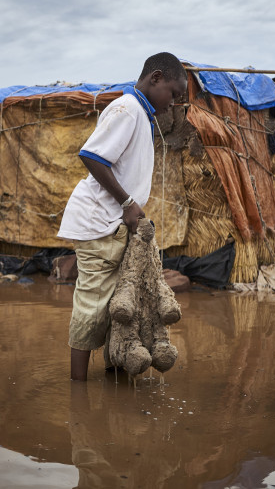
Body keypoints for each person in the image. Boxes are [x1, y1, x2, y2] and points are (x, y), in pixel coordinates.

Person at [57, 52, 188, 381]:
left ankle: (113, 372)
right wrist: (128, 202)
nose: (173, 103)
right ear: (155, 78)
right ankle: (78, 389)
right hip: (99, 222)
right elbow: (91, 156)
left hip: (111, 222)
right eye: (173, 94)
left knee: (117, 305)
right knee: (94, 303)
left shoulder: (140, 114)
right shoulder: (127, 109)